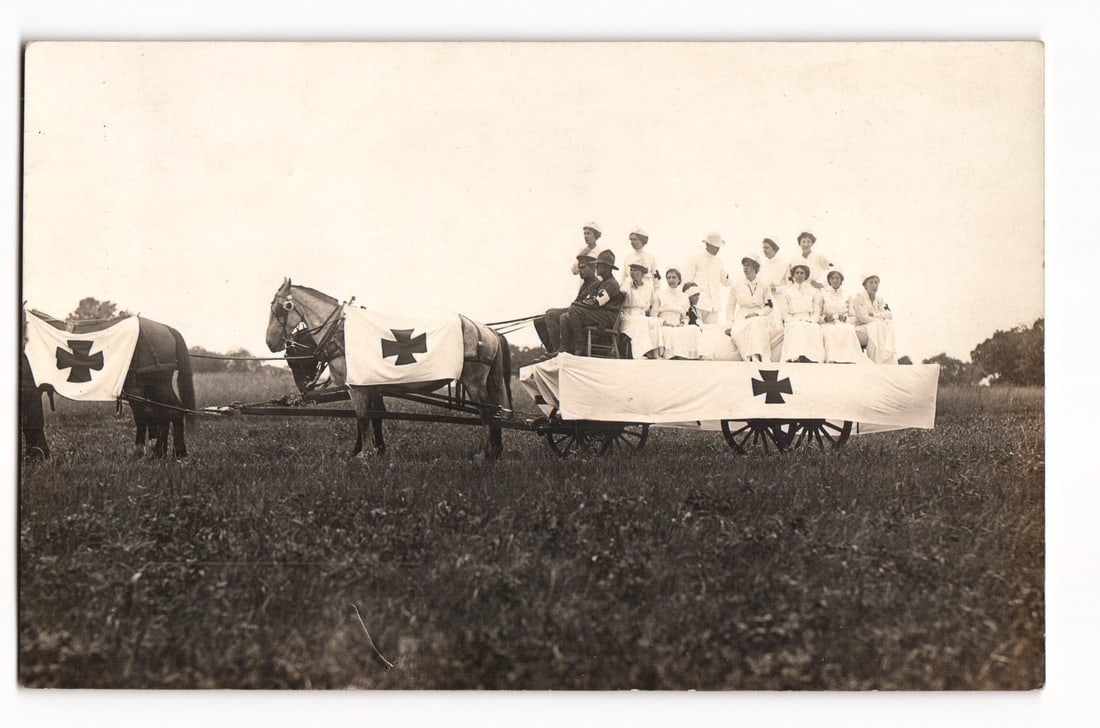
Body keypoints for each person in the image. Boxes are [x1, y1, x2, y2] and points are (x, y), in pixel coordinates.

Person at [559, 249, 626, 356]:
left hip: (607, 317)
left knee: (574, 310)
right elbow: (592, 301)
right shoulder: (604, 283)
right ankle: (564, 349)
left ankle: (580, 346)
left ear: (607, 268)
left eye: (599, 265)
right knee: (564, 317)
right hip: (600, 314)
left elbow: (596, 303)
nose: (596, 267)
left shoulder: (611, 284)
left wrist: (578, 305)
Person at [534, 253, 600, 354]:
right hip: (575, 311)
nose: (580, 271)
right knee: (539, 320)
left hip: (582, 315)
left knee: (551, 315)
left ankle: (557, 350)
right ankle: (551, 349)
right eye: (579, 268)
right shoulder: (585, 283)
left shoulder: (596, 283)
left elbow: (587, 305)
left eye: (583, 268)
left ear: (592, 268)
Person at [725, 253, 773, 362]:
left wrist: (758, 314)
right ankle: (749, 357)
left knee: (756, 324)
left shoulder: (764, 284)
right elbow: (730, 306)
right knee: (742, 330)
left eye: (748, 265)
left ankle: (757, 356)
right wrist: (729, 324)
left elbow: (769, 306)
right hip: (742, 316)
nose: (745, 268)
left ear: (755, 267)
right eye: (744, 265)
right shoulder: (737, 283)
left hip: (759, 315)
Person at [681, 232, 731, 324]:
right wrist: (688, 302)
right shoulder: (695, 258)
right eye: (716, 246)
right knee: (697, 332)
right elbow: (686, 281)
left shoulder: (719, 262)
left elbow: (726, 281)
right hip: (698, 304)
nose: (718, 249)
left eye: (719, 247)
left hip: (714, 306)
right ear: (708, 245)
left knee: (712, 334)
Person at [779, 263, 825, 362]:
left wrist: (812, 320)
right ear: (793, 275)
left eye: (802, 273)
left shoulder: (813, 291)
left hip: (809, 319)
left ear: (806, 275)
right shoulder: (786, 292)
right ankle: (795, 357)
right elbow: (784, 311)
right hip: (793, 319)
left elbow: (816, 309)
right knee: (797, 327)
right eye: (797, 273)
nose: (799, 275)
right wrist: (790, 320)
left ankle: (811, 358)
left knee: (813, 328)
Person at [820, 268, 867, 364]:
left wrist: (846, 318)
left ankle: (849, 358)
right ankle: (833, 358)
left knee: (848, 331)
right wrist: (825, 318)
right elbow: (818, 314)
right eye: (832, 278)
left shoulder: (847, 295)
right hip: (828, 323)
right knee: (832, 331)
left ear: (841, 280)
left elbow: (853, 317)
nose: (835, 280)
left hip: (843, 322)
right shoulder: (823, 294)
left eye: (837, 278)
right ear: (829, 280)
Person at [652, 269, 699, 359]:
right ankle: (671, 355)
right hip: (664, 324)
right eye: (669, 278)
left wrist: (682, 323)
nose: (671, 280)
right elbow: (653, 316)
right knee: (670, 332)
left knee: (694, 329)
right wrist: (664, 322)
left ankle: (688, 355)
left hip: (678, 324)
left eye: (674, 277)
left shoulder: (684, 296)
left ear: (679, 280)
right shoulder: (659, 294)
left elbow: (685, 317)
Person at [851, 273, 898, 364]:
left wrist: (874, 314)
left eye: (876, 283)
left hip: (876, 326)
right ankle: (876, 360)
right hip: (861, 328)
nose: (874, 285)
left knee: (889, 325)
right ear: (865, 285)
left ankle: (888, 360)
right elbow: (864, 318)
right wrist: (881, 320)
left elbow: (889, 314)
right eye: (871, 283)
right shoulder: (859, 298)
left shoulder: (880, 299)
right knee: (877, 325)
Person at [618, 262, 659, 359]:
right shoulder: (627, 284)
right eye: (631, 269)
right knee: (641, 322)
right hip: (627, 315)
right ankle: (639, 353)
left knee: (654, 322)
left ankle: (654, 353)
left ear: (642, 273)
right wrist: (630, 284)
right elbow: (622, 294)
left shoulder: (648, 287)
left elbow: (651, 304)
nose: (632, 272)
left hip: (641, 314)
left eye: (635, 270)